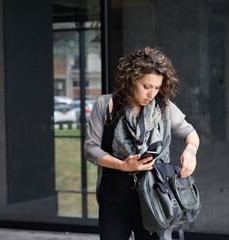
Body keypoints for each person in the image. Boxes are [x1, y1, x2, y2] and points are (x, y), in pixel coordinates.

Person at [85, 47, 200, 240]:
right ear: (131, 80)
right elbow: (90, 149)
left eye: (157, 88)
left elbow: (191, 133)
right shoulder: (106, 105)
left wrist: (190, 152)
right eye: (146, 86)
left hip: (155, 199)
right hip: (114, 199)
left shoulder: (165, 108)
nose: (152, 94)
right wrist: (123, 165)